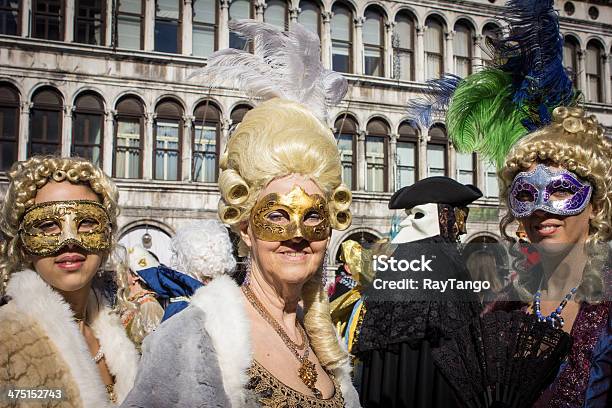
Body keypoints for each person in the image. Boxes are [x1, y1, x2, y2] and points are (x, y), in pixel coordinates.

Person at [494, 106, 612, 407]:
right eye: (525, 194)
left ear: (596, 207)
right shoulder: (504, 307)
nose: (540, 208)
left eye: (560, 191)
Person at [0, 156, 139, 406]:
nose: (70, 240)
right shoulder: (6, 342)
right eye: (48, 225)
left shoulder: (121, 334)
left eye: (86, 222)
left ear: (107, 236)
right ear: (22, 245)